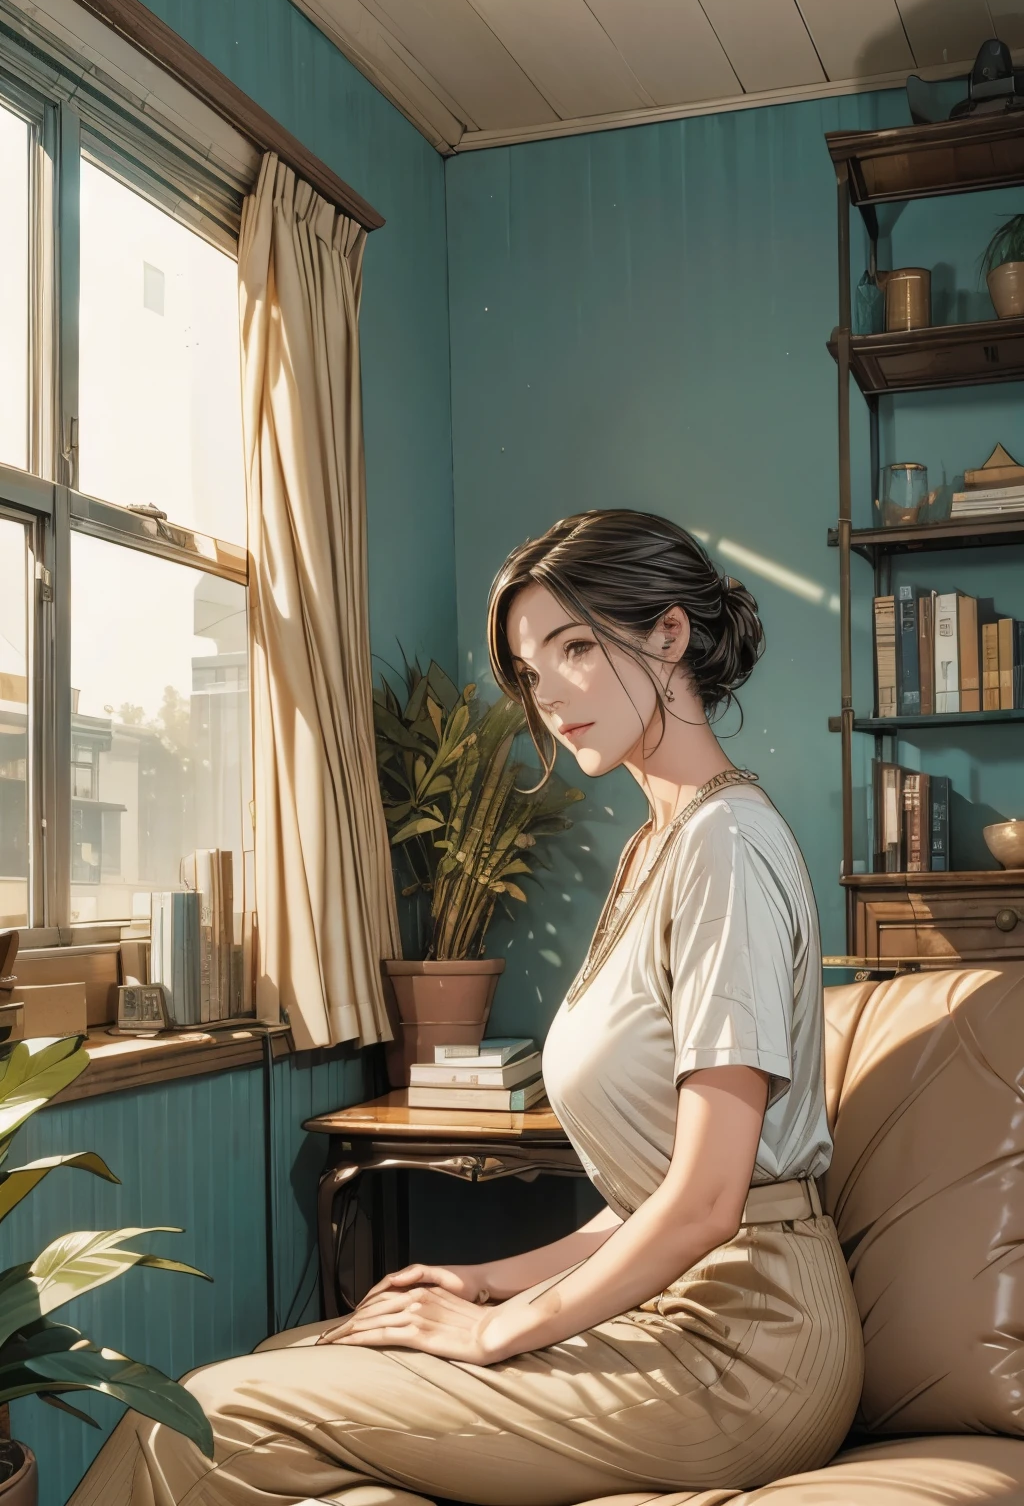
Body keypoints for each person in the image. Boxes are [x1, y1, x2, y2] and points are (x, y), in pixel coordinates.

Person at [70, 509, 863, 1506]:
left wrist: (498, 1329)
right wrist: (483, 1279)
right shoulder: (656, 848)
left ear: (669, 634)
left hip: (745, 1353)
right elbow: (642, 1205)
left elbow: (708, 1204)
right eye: (535, 670)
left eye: (575, 646)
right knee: (306, 1346)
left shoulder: (725, 849)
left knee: (203, 1420)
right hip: (677, 1309)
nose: (553, 694)